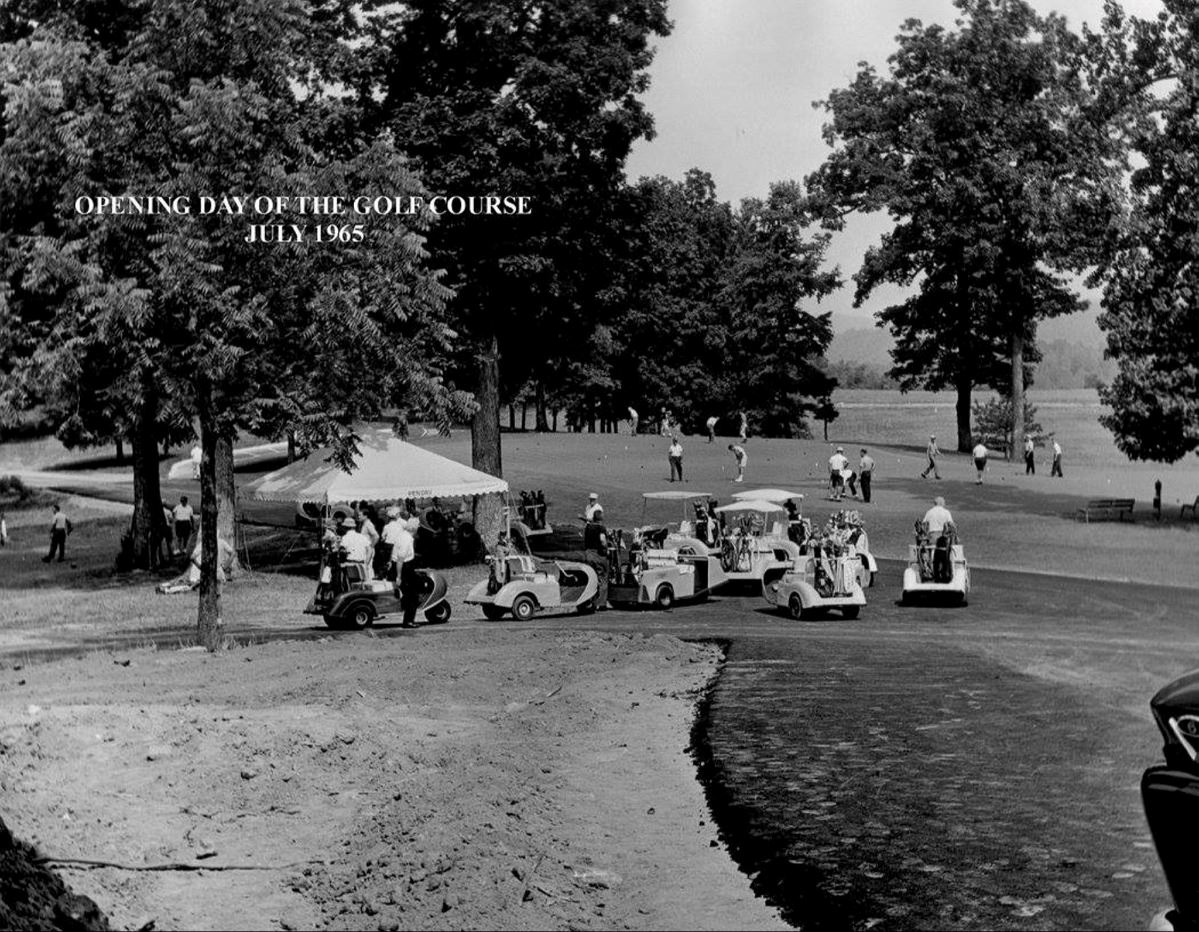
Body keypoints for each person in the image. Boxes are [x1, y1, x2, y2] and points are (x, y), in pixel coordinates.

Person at [582, 511, 610, 610]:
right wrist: (606, 549)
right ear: (601, 518)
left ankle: (588, 601)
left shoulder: (588, 527)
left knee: (591, 577)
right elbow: (602, 540)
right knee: (602, 578)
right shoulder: (601, 528)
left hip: (588, 554)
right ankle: (600, 603)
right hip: (598, 554)